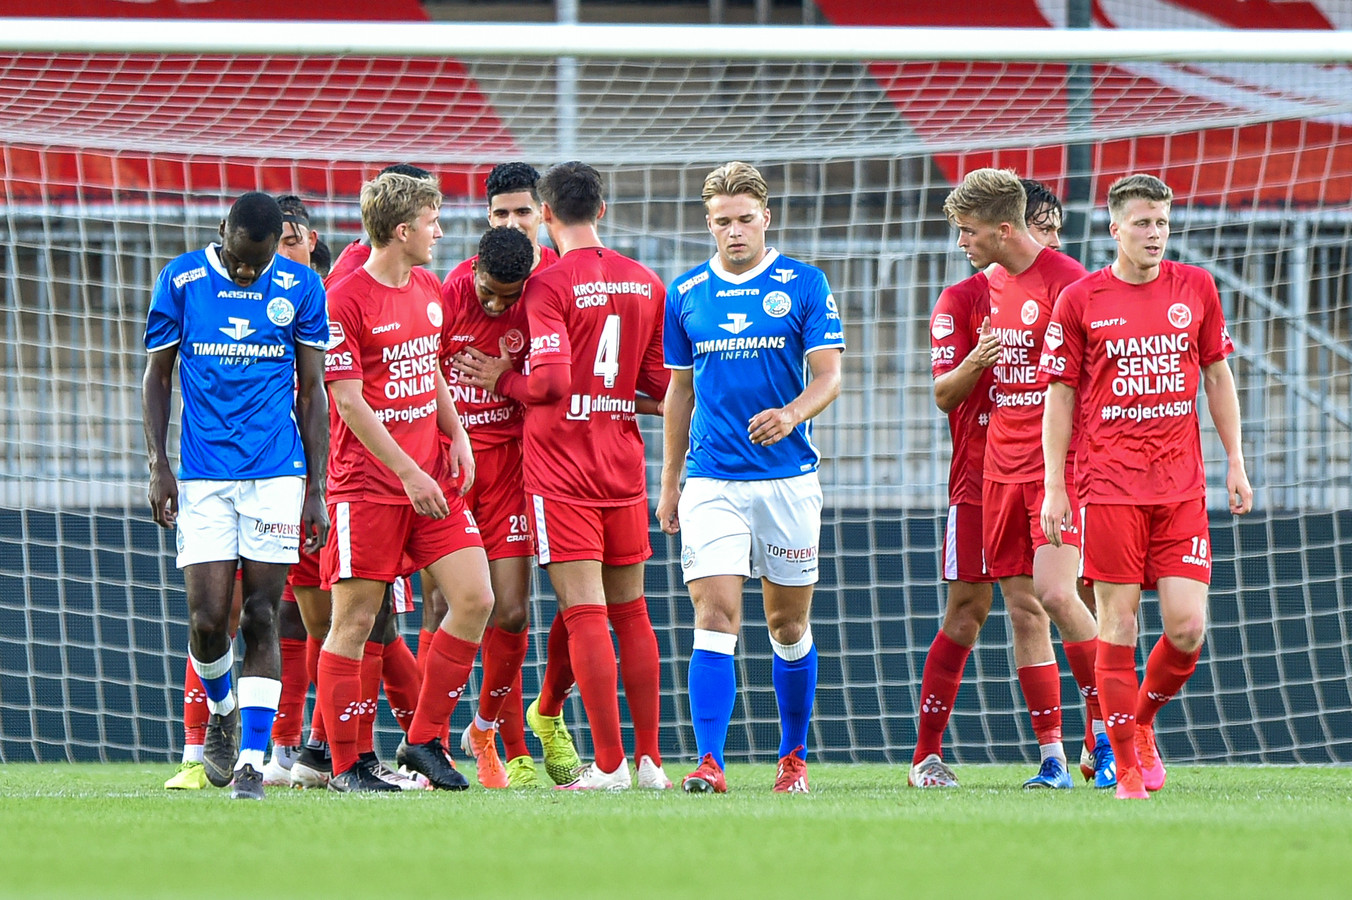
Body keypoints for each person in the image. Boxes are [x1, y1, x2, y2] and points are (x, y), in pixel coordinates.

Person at [454, 161, 671, 791]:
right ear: (601, 209)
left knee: (584, 612)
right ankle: (651, 762)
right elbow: (656, 388)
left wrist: (503, 380)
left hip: (561, 470)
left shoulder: (549, 285)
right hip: (623, 464)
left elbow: (548, 383)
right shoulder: (645, 282)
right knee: (633, 612)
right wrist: (608, 395)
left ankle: (608, 766)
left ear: (545, 215)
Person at [1039, 173, 1252, 800]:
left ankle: (1140, 725)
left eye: (1161, 221)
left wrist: (1235, 461)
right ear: (1115, 229)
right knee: (1119, 624)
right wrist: (1055, 486)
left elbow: (1217, 375)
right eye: (1142, 222)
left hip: (1181, 487)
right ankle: (1126, 767)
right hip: (1107, 487)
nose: (1154, 233)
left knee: (1187, 628)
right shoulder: (1080, 300)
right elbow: (1060, 397)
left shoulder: (1197, 287)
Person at [909, 179, 1120, 788]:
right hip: (984, 476)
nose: (961, 243)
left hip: (1060, 471)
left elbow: (1088, 383)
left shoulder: (1069, 283)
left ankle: (1108, 730)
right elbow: (946, 393)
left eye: (968, 231)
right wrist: (977, 358)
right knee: (1003, 609)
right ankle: (1048, 756)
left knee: (1061, 596)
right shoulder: (971, 294)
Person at [657, 161, 844, 795]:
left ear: (766, 218)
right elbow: (678, 392)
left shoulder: (804, 283)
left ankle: (793, 758)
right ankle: (710, 761)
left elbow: (829, 375)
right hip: (712, 480)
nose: (733, 232)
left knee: (787, 624)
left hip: (788, 479)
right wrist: (670, 480)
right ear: (707, 224)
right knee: (714, 612)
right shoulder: (684, 293)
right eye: (721, 222)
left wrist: (790, 414)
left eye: (744, 220)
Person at [143, 191, 330, 800]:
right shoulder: (182, 278)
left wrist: (316, 489)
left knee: (260, 615)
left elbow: (312, 392)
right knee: (205, 623)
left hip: (277, 473)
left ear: (278, 244)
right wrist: (158, 466)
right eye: (241, 259)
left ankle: (251, 758)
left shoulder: (302, 287)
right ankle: (221, 709)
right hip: (202, 476)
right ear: (223, 231)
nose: (250, 271)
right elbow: (158, 375)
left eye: (261, 260)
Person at [318, 171, 494, 792]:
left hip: (430, 483)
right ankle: (344, 766)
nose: (440, 233)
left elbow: (432, 369)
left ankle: (421, 740)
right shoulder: (344, 297)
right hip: (368, 486)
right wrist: (408, 469)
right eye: (432, 222)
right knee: (356, 623)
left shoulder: (426, 286)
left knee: (476, 598)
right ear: (402, 230)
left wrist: (460, 434)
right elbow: (347, 400)